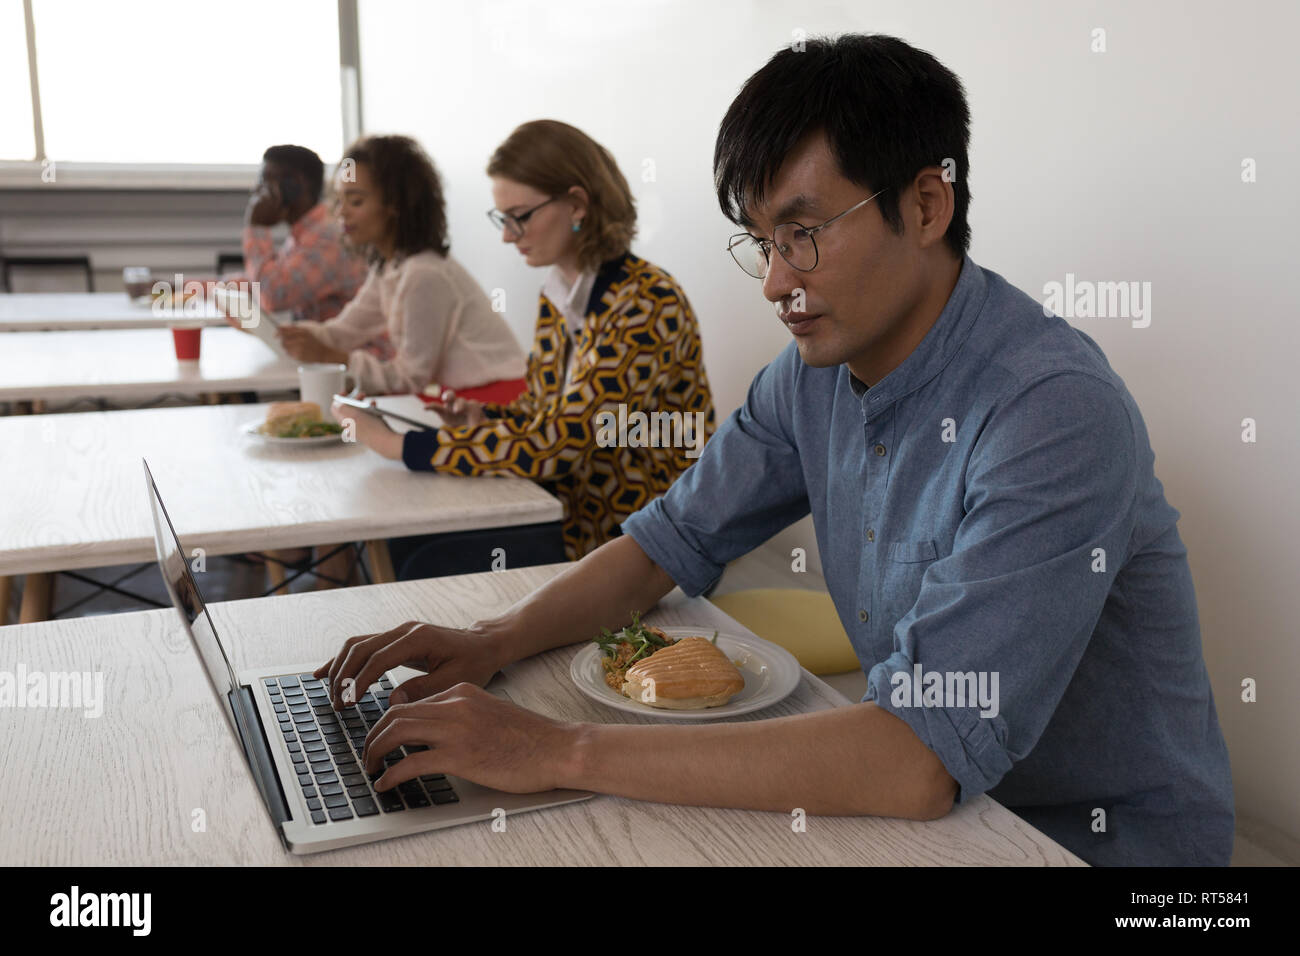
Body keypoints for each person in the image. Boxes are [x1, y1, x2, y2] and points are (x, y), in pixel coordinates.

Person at [315, 35, 1233, 867]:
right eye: (762, 242)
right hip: (937, 816)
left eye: (804, 234)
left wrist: (552, 749)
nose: (777, 284)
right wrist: (492, 639)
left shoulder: (1052, 411)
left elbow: (918, 756)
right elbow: (667, 542)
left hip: (1092, 848)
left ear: (925, 203)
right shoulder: (813, 375)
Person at [336, 120, 715, 561]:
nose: (507, 234)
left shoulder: (648, 302)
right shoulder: (560, 293)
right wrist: (485, 415)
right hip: (574, 510)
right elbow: (545, 412)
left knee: (427, 556)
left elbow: (560, 443)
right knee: (407, 538)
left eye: (519, 217)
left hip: (637, 536)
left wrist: (397, 444)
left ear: (576, 204)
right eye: (503, 218)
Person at [280, 135, 526, 398]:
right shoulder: (391, 265)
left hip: (496, 399)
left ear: (395, 205)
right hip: (460, 396)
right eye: (339, 200)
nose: (341, 213)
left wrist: (329, 356)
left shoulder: (424, 274)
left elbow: (410, 379)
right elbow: (344, 331)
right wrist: (285, 334)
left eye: (356, 201)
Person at [240, 144, 369, 323]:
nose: (256, 191)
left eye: (264, 181)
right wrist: (197, 288)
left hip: (352, 350)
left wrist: (256, 228)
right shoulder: (306, 233)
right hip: (325, 347)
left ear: (294, 185)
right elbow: (262, 280)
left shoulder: (328, 237)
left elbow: (272, 296)